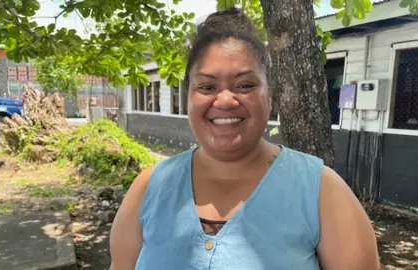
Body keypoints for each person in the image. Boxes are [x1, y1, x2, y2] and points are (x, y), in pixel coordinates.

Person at [110, 8, 380, 270]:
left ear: (269, 95)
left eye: (245, 85)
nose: (226, 100)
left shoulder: (320, 189)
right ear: (189, 96)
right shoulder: (149, 188)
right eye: (207, 87)